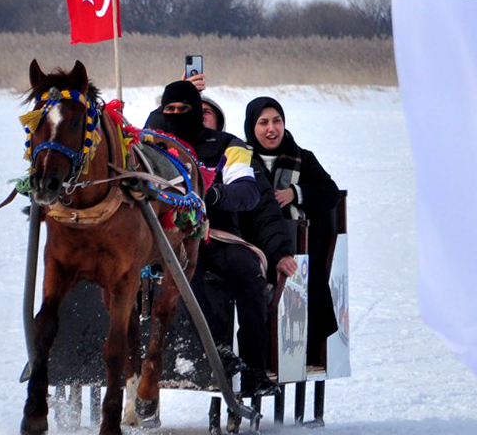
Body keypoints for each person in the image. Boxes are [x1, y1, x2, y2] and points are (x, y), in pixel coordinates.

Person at [146, 81, 295, 397]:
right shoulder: (154, 147)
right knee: (188, 274)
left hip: (218, 236)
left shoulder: (229, 144)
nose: (175, 115)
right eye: (168, 110)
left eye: (183, 110)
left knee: (249, 274)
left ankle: (255, 370)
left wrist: (210, 193)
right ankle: (217, 350)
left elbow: (247, 191)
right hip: (170, 240)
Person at [243, 96, 342, 365]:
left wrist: (295, 193)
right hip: (257, 243)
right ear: (252, 126)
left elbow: (329, 193)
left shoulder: (302, 158)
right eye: (263, 122)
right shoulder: (242, 158)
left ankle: (303, 353)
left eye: (277, 121)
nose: (271, 129)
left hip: (300, 245)